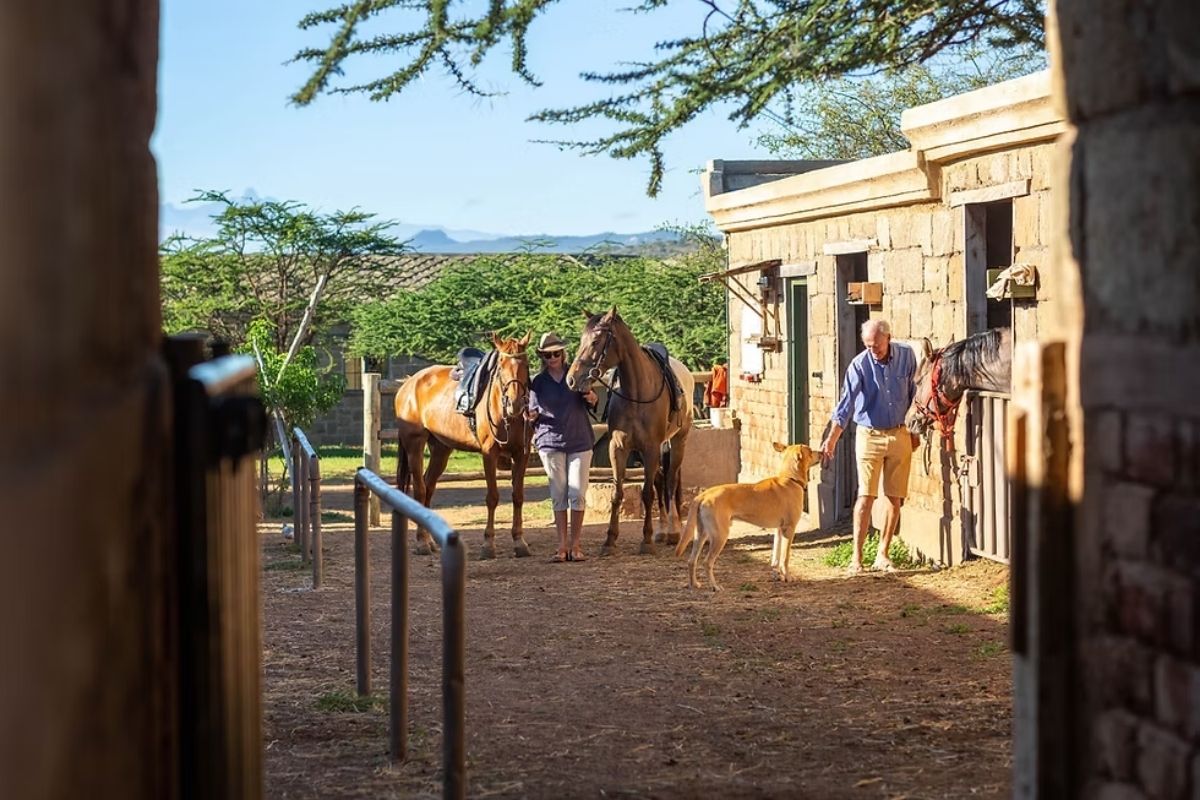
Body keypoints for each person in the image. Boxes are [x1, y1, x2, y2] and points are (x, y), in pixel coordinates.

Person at [819, 319, 920, 574]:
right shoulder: (859, 364)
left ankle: (883, 554)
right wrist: (831, 439)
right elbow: (845, 405)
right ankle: (856, 557)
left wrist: (916, 431)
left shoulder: (907, 356)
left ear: (888, 338)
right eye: (868, 345)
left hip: (899, 432)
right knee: (866, 496)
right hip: (869, 434)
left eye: (876, 345)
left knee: (894, 497)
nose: (872, 350)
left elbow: (915, 394)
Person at [525, 332, 599, 563]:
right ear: (542, 357)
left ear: (563, 353)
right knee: (558, 495)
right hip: (550, 441)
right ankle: (561, 546)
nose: (552, 358)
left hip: (579, 439)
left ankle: (576, 544)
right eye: (548, 355)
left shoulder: (576, 375)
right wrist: (530, 416)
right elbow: (531, 412)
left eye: (556, 353)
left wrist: (593, 398)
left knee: (577, 493)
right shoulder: (538, 382)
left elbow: (592, 402)